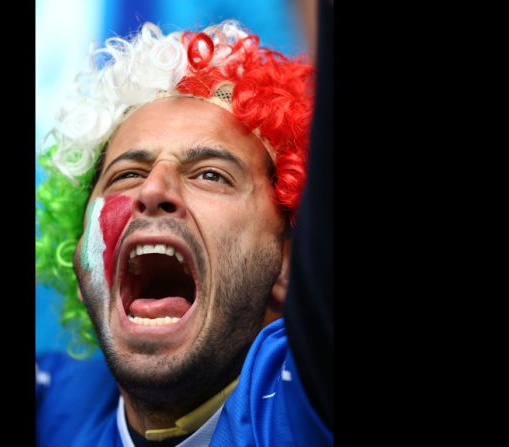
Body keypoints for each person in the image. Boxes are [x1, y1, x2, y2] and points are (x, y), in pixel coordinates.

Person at [36, 11, 332, 446]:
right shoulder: (52, 404)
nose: (154, 188)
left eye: (211, 175)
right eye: (126, 174)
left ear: (290, 262)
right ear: (82, 256)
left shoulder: (308, 397)